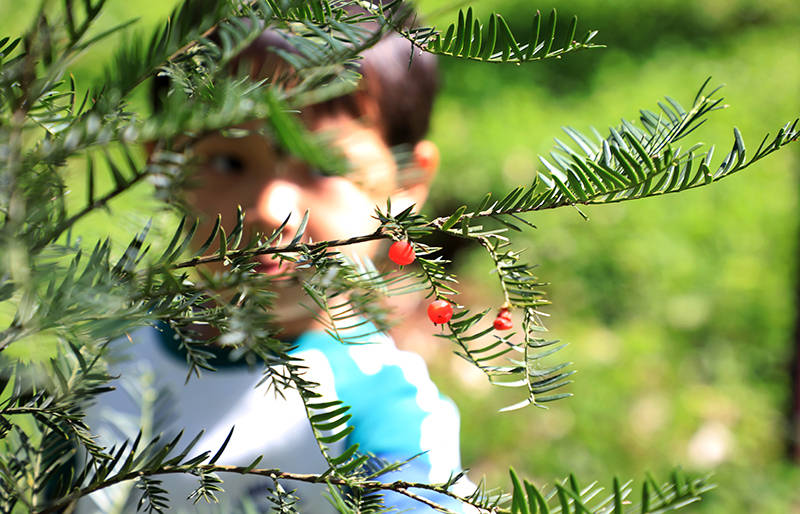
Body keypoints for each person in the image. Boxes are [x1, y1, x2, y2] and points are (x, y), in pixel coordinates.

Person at [79, 9, 474, 514]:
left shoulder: (388, 413)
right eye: (228, 161)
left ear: (406, 186)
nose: (270, 209)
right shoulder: (108, 364)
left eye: (323, 167)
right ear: (163, 165)